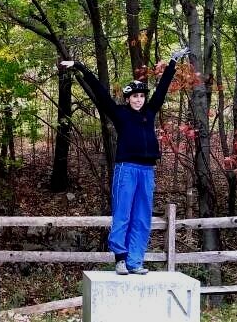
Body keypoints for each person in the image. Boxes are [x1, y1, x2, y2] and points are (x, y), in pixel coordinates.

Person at [61, 48, 190, 275]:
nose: (139, 100)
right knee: (123, 214)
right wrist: (80, 66)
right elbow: (100, 93)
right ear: (128, 98)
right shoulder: (119, 113)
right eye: (134, 97)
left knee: (142, 217)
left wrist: (172, 62)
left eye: (141, 96)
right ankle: (120, 258)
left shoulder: (149, 112)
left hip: (147, 171)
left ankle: (135, 261)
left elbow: (162, 89)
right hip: (126, 169)